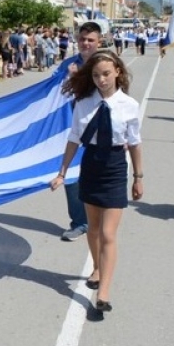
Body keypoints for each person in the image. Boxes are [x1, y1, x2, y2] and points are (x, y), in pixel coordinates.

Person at [50, 51, 143, 313]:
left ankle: (103, 292)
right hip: (91, 164)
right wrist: (62, 172)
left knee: (107, 233)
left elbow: (135, 143)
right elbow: (74, 138)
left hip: (114, 167)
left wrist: (138, 177)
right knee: (93, 228)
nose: (101, 79)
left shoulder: (129, 105)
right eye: (95, 75)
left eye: (106, 73)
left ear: (117, 72)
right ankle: (97, 267)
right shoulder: (83, 102)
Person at [58, 21, 102, 242]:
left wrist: (77, 78)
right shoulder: (67, 65)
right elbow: (53, 95)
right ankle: (79, 222)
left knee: (95, 178)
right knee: (72, 177)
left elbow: (108, 92)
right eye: (82, 39)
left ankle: (98, 220)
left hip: (100, 131)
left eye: (90, 40)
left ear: (98, 42)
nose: (85, 43)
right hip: (73, 130)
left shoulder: (105, 64)